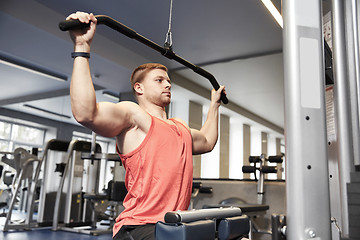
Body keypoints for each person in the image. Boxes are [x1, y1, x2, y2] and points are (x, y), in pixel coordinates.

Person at [66, 12, 226, 240]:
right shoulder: (134, 116)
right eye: (159, 80)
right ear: (139, 88)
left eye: (168, 80)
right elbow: (85, 113)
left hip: (175, 225)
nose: (167, 84)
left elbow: (208, 141)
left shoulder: (179, 127)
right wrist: (82, 46)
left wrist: (214, 105)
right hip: (139, 227)